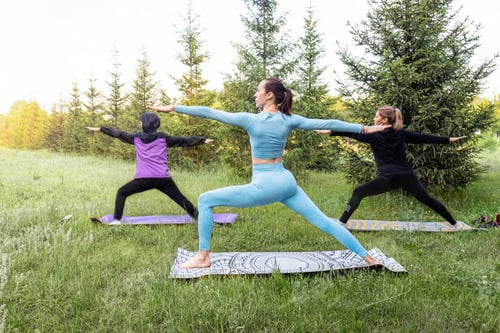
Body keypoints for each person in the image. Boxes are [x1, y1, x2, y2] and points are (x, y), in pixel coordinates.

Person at [147, 78, 390, 268]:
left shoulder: (251, 120)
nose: (255, 94)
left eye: (258, 91)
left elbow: (209, 111)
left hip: (266, 184)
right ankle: (368, 258)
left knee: (205, 199)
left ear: (269, 95)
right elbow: (327, 122)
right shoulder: (289, 120)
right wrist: (365, 129)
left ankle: (202, 256)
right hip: (286, 182)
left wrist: (174, 107)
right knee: (325, 222)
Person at [316, 105, 466, 226]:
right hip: (407, 176)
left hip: (389, 178)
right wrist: (449, 139)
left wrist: (329, 131)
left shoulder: (373, 134)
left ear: (384, 120)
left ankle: (341, 222)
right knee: (428, 200)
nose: (374, 118)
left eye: (376, 116)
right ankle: (453, 223)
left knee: (358, 192)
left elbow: (351, 133)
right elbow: (424, 138)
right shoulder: (400, 133)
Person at [86, 112, 213, 224]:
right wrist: (202, 140)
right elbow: (182, 140)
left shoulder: (135, 138)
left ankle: (117, 221)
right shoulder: (163, 138)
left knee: (122, 193)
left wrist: (100, 129)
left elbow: (118, 134)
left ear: (145, 124)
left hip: (144, 179)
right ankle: (199, 219)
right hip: (163, 179)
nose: (140, 123)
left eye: (141, 121)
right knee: (181, 199)